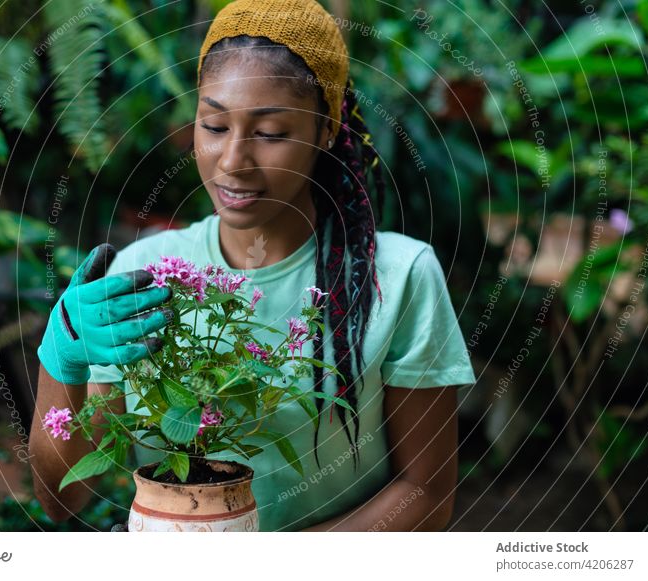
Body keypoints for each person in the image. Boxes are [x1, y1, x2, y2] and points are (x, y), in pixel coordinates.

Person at [30, 0, 476, 532]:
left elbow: (426, 496)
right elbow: (63, 502)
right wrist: (62, 359)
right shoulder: (141, 273)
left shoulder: (400, 278)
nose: (233, 161)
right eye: (214, 125)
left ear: (327, 129)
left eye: (269, 132)